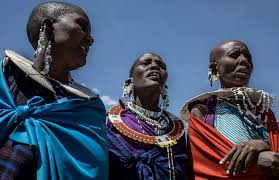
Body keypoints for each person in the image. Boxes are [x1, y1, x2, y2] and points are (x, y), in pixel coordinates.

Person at [0, 2, 108, 179]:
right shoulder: (6, 79)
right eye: (82, 26)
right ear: (48, 28)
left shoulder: (88, 110)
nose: (91, 39)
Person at [181, 40, 279, 179]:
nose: (244, 61)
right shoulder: (204, 110)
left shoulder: (265, 113)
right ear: (215, 69)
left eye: (248, 57)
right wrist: (257, 160)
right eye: (234, 55)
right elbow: (206, 161)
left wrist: (262, 144)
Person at [106, 52, 192, 180]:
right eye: (146, 63)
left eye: (161, 65)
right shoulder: (112, 122)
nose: (154, 66)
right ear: (131, 80)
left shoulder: (176, 128)